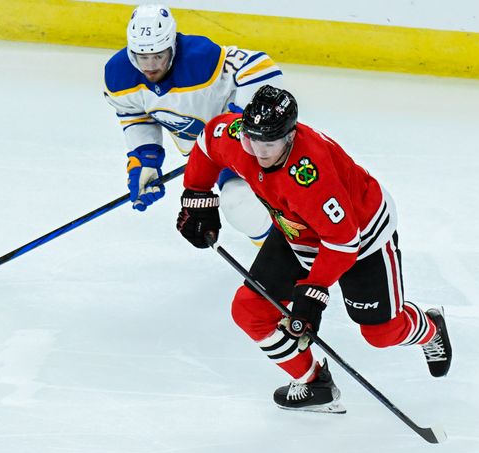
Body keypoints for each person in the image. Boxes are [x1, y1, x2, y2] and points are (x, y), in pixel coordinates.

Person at [175, 85, 453, 413]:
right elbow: (209, 142)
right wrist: (197, 195)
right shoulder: (242, 139)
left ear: (290, 136)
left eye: (270, 143)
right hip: (296, 232)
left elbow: (343, 243)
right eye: (253, 140)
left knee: (381, 333)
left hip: (362, 240)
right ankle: (313, 384)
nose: (260, 151)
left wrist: (313, 293)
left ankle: (430, 327)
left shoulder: (311, 175)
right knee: (250, 310)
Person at [103, 4, 280, 244]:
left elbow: (261, 67)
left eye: (159, 56)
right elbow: (134, 115)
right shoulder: (118, 75)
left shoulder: (201, 58)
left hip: (258, 143)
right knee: (239, 203)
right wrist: (146, 160)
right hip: (215, 154)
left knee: (290, 194)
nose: (151, 66)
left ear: (173, 46)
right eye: (143, 57)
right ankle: (275, 253)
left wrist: (242, 124)